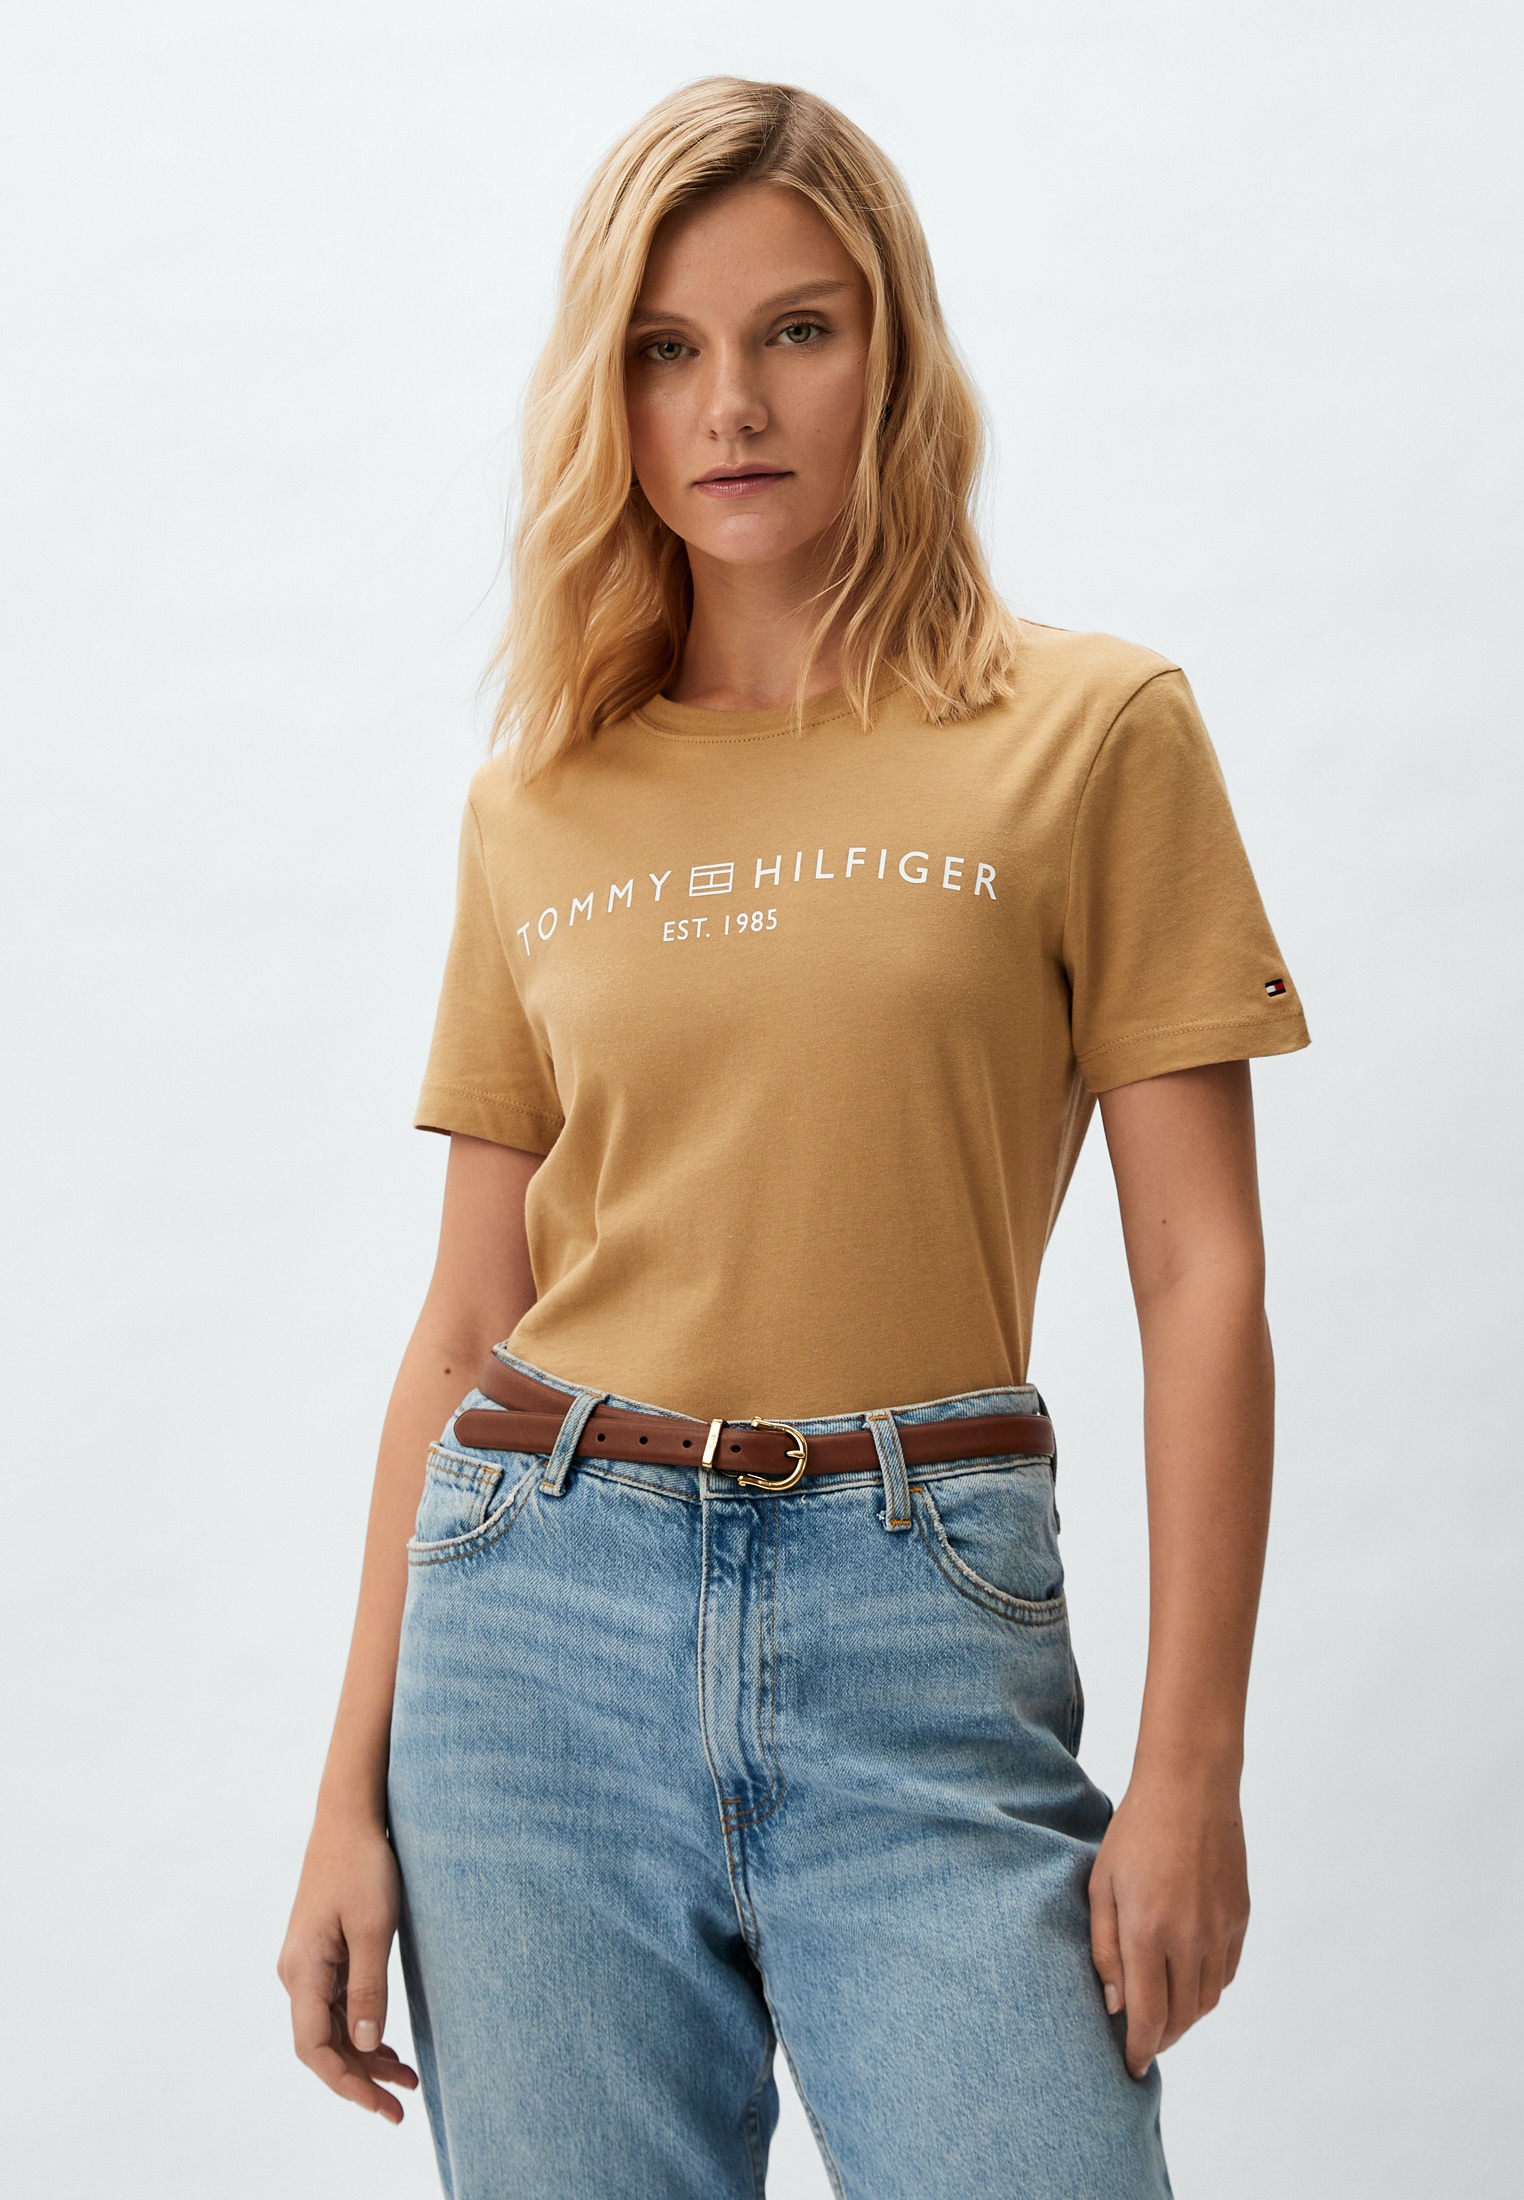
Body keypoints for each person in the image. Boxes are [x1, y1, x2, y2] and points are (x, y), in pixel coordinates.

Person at [278, 76, 1309, 2199]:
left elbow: (1202, 1271)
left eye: (797, 330)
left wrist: (1191, 1767)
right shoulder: (541, 797)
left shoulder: (1091, 732)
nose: (731, 403)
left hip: (920, 1610)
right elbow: (466, 1314)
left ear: (892, 354)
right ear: (610, 397)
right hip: (534, 1625)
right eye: (667, 348)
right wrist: (343, 1791)